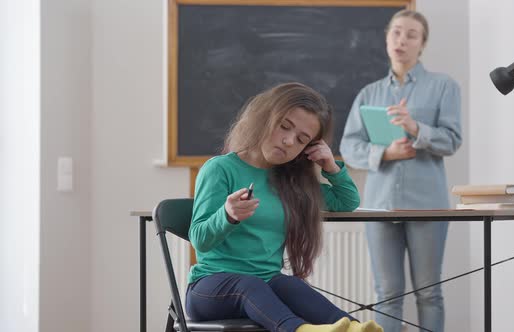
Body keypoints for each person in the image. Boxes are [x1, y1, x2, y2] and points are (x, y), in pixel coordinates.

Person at [186, 82, 384, 332]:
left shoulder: (290, 182)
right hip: (210, 289)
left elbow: (347, 202)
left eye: (302, 140)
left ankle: (352, 328)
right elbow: (199, 240)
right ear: (265, 117)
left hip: (265, 285)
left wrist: (330, 166)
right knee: (251, 285)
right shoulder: (220, 169)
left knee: (291, 285)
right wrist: (227, 215)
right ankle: (301, 330)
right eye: (284, 127)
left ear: (307, 149)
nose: (289, 141)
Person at [339, 10, 462, 332]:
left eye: (411, 34)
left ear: (422, 44)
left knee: (429, 292)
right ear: (386, 38)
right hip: (379, 207)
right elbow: (350, 147)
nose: (401, 40)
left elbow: (452, 140)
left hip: (428, 206)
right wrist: (386, 153)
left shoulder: (444, 86)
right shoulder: (369, 93)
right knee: (387, 293)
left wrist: (416, 127)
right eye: (396, 32)